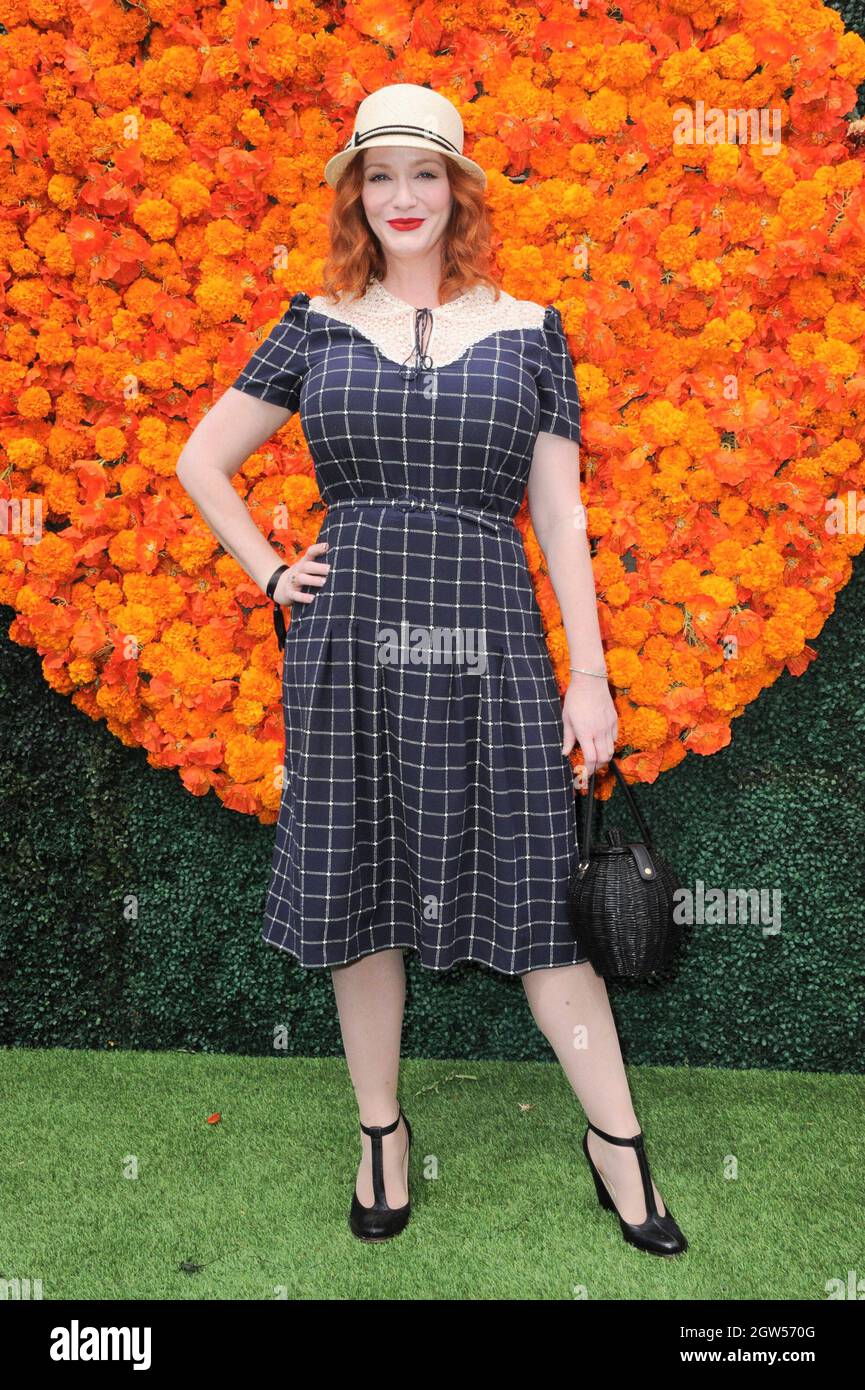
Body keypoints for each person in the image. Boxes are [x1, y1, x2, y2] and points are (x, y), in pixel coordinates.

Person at [176, 83, 687, 1255]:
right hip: (349, 638)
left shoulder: (531, 328)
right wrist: (267, 570)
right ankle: (379, 1132)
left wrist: (590, 673)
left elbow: (559, 521)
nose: (402, 194)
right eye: (379, 173)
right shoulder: (313, 322)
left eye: (424, 172)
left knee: (538, 899)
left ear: (460, 191)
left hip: (494, 638)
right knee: (360, 894)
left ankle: (616, 1141)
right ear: (358, 192)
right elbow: (203, 460)